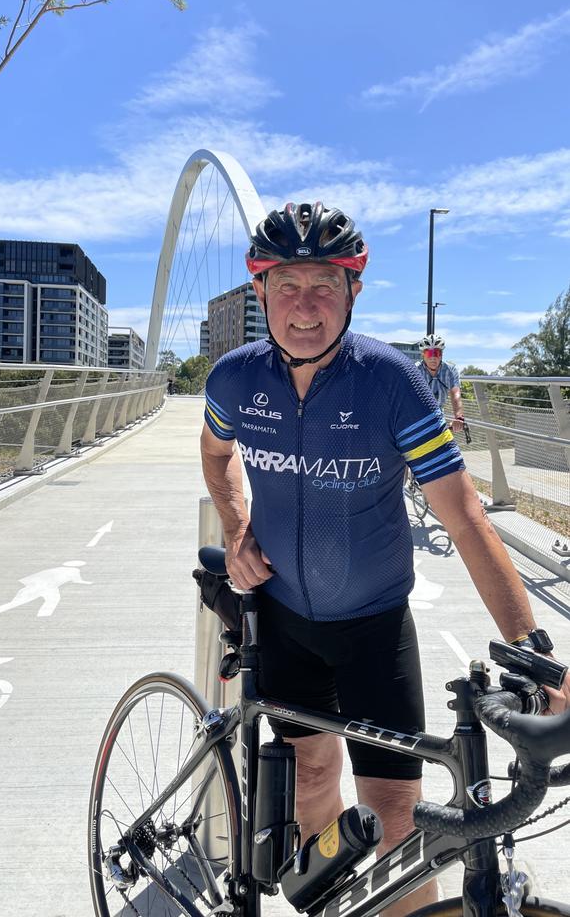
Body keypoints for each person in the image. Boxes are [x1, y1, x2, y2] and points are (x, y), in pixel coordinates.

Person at [200, 202, 568, 916]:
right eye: (286, 287)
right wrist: (236, 525)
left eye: (325, 286)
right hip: (282, 618)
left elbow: (463, 515)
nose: (304, 308)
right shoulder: (234, 381)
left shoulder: (392, 382)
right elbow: (216, 457)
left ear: (354, 291)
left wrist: (535, 654)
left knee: (397, 812)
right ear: (260, 293)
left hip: (373, 625)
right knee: (311, 779)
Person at [416, 333, 465, 431]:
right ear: (423, 355)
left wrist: (458, 417)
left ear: (441, 355)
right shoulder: (415, 369)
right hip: (417, 417)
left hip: (438, 416)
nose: (433, 358)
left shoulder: (450, 370)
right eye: (429, 353)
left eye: (437, 353)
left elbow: (455, 394)